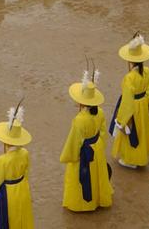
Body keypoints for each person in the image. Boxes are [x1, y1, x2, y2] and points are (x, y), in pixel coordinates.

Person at [58, 71, 112, 212]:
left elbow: (74, 141)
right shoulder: (100, 112)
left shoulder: (79, 120)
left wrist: (69, 156)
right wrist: (99, 146)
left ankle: (82, 204)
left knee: (80, 177)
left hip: (85, 151)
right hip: (97, 147)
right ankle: (97, 200)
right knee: (96, 176)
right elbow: (103, 133)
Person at [111, 35, 149, 169]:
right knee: (142, 131)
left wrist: (121, 119)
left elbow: (127, 100)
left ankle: (130, 160)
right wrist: (148, 106)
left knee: (130, 132)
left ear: (130, 61)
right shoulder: (147, 71)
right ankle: (141, 157)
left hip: (133, 107)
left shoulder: (129, 77)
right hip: (143, 104)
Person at [0, 105, 33, 229]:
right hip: (22, 189)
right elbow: (27, 173)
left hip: (8, 194)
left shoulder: (2, 160)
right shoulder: (25, 153)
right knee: (22, 218)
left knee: (8, 220)